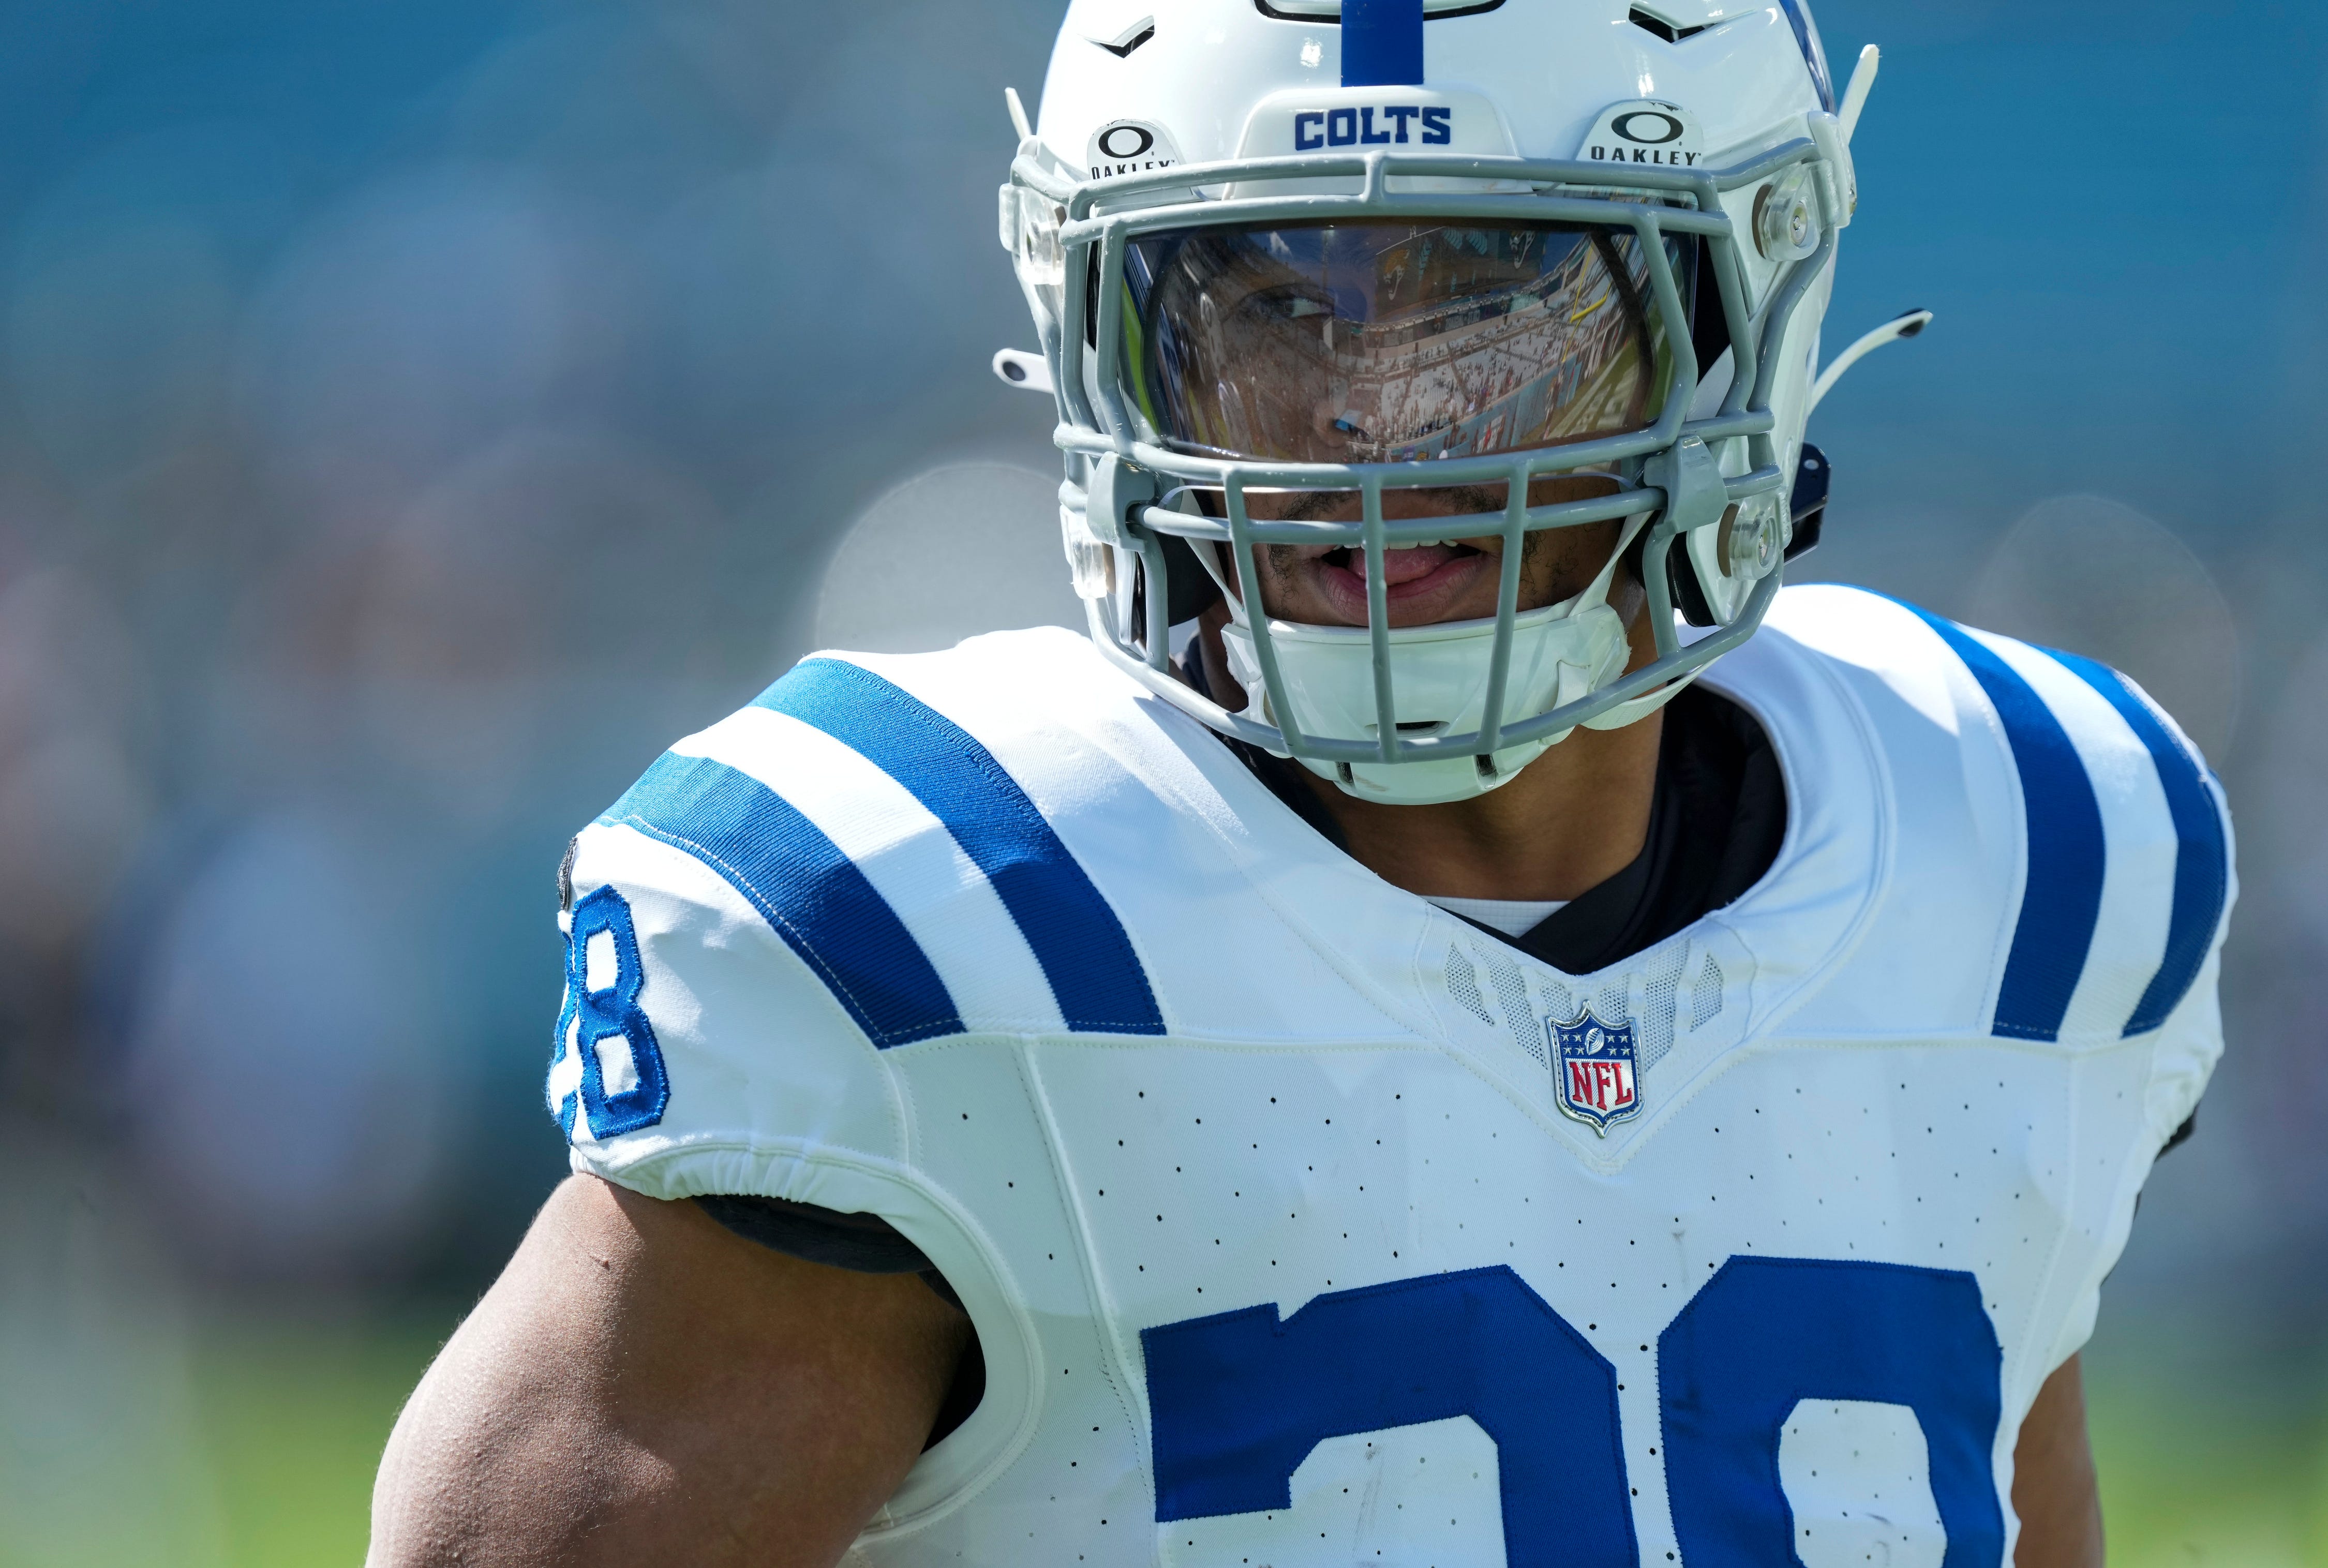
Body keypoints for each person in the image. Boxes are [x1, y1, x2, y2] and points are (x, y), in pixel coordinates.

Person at [368, 2, 2230, 1565]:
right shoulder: (942, 916)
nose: (1368, 411)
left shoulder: (2032, 848)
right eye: (1264, 301)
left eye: (1495, 304)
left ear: (1734, 315)